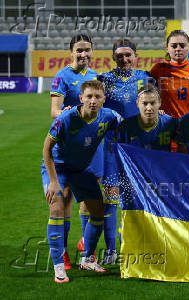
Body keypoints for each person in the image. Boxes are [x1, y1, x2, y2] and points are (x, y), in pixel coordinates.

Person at [42, 80, 121, 283]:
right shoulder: (66, 119)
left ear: (104, 100)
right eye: (89, 97)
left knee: (98, 212)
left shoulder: (109, 117)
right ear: (81, 98)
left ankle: (87, 258)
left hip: (81, 169)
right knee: (57, 209)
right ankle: (59, 267)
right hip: (58, 168)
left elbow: (130, 126)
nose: (93, 101)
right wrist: (52, 181)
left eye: (97, 97)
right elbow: (47, 149)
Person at [97, 38, 153, 265]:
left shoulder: (145, 78)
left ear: (136, 56)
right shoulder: (104, 80)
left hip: (139, 147)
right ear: (113, 57)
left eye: (128, 54)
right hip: (113, 146)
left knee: (137, 197)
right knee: (111, 198)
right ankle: (111, 249)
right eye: (119, 55)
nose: (124, 59)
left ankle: (133, 243)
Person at [49, 34, 102, 269]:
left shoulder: (95, 76)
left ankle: (84, 245)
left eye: (87, 50)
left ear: (92, 52)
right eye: (79, 50)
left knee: (88, 200)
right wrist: (65, 113)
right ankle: (65, 253)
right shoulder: (62, 76)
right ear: (71, 52)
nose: (83, 54)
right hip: (67, 146)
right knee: (66, 199)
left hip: (90, 147)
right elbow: (54, 110)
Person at [150, 30, 189, 119]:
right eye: (174, 46)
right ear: (167, 48)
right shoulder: (157, 69)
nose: (178, 49)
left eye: (182, 45)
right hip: (166, 124)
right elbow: (148, 96)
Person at [118, 83, 177, 150]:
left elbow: (185, 145)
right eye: (144, 103)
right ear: (137, 103)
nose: (148, 108)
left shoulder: (170, 123)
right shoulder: (125, 126)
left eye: (152, 103)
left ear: (159, 103)